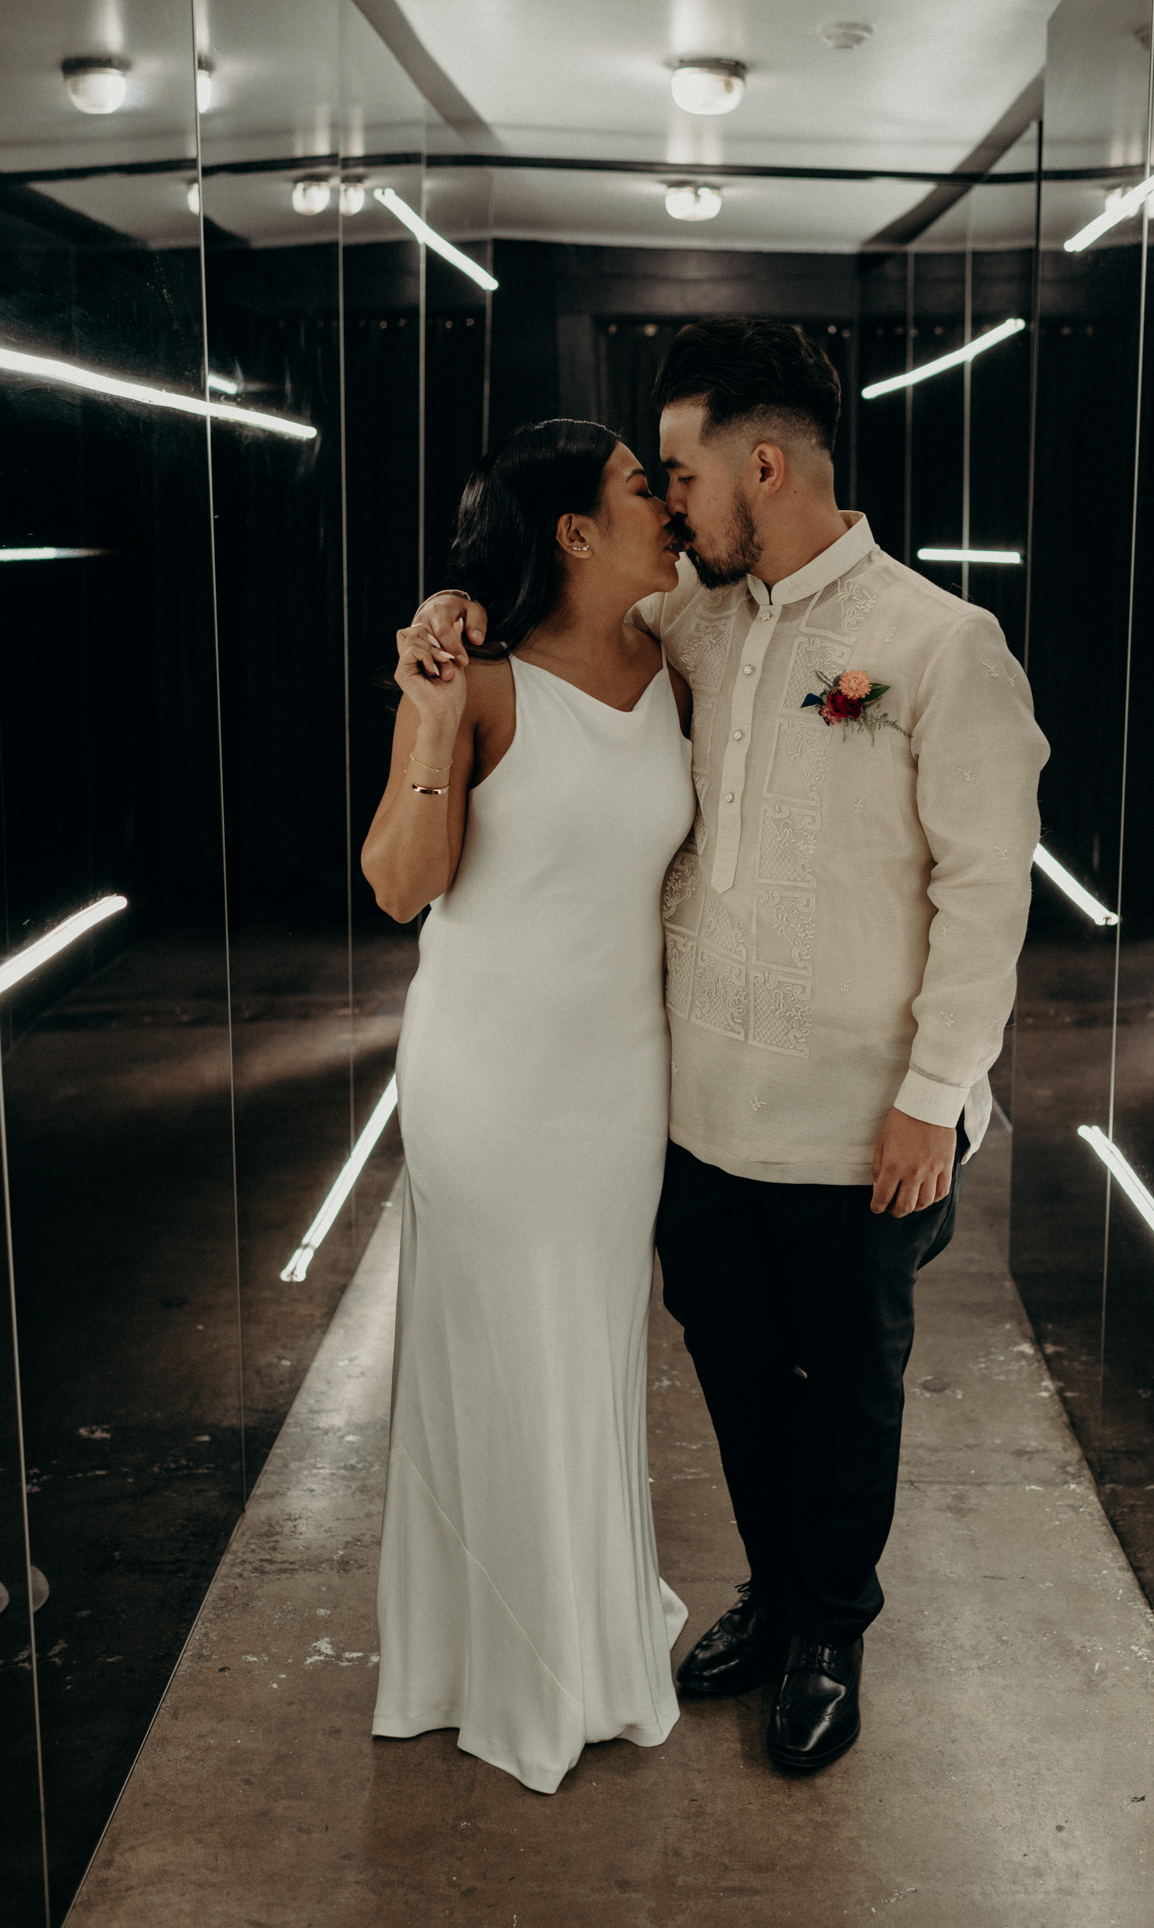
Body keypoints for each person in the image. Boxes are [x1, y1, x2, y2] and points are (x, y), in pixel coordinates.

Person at [414, 316, 1049, 1776]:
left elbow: (986, 893)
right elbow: (542, 595)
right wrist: (449, 598)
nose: (671, 502)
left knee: (850, 1391)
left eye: (683, 472)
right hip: (699, 1119)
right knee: (740, 1379)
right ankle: (773, 1590)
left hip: (860, 1124)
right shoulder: (687, 621)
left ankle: (831, 1629)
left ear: (764, 465)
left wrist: (934, 1100)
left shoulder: (939, 648)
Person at [360, 418, 696, 1795]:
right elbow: (398, 882)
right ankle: (504, 1666)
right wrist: (432, 711)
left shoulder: (681, 657)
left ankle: (587, 1638)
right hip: (488, 1078)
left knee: (594, 1355)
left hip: (620, 1080)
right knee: (506, 1358)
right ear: (572, 528)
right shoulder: (474, 676)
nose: (669, 502)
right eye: (640, 486)